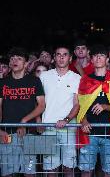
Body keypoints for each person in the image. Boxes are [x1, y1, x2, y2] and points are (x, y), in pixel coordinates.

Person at [77, 44, 110, 177]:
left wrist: (105, 107)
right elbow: (81, 104)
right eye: (95, 56)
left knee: (109, 171)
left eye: (101, 55)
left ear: (107, 59)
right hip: (89, 132)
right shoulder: (85, 80)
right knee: (86, 171)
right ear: (91, 59)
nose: (98, 58)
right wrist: (83, 120)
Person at [0, 47, 45, 177]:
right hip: (7, 133)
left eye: (19, 59)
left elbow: (41, 105)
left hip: (30, 133)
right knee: (8, 172)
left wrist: (24, 121)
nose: (15, 61)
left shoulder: (34, 81)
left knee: (30, 171)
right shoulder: (2, 82)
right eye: (12, 58)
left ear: (26, 63)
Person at [39, 45, 81, 177]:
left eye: (65, 54)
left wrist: (66, 120)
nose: (61, 57)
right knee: (51, 168)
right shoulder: (44, 76)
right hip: (48, 128)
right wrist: (38, 121)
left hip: (69, 129)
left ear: (70, 58)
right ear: (54, 58)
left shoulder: (76, 78)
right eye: (58, 54)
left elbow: (77, 104)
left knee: (69, 167)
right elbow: (38, 102)